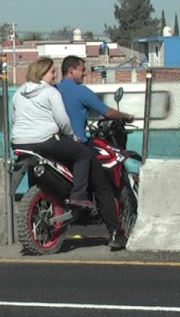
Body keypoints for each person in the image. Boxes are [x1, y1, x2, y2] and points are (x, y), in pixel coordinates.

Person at [57, 55, 135, 250]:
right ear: (72, 70)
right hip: (79, 144)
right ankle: (116, 233)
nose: (84, 73)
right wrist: (126, 116)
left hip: (56, 143)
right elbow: (107, 112)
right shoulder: (80, 91)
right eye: (82, 70)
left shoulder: (54, 90)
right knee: (103, 187)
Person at [11, 56, 96, 210]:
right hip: (45, 141)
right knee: (82, 153)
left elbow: (14, 117)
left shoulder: (19, 93)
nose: (55, 76)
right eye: (52, 72)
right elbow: (62, 120)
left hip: (19, 142)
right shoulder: (50, 92)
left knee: (33, 163)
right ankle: (78, 196)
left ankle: (36, 199)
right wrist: (71, 136)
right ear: (42, 72)